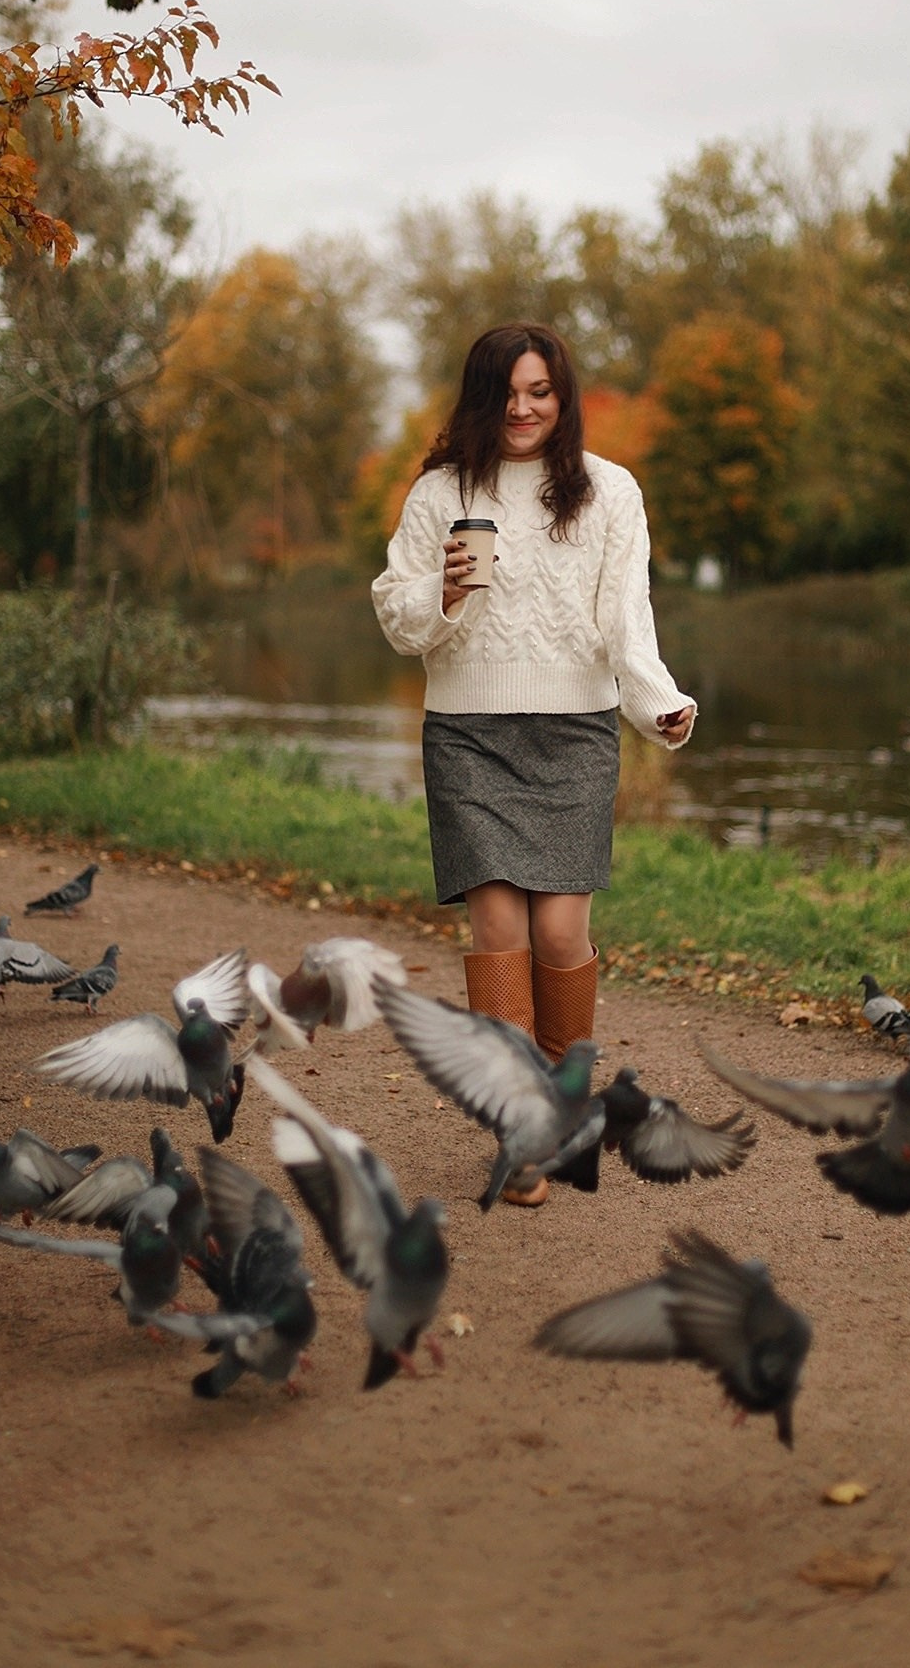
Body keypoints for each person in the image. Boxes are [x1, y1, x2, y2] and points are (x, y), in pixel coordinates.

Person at [371, 322, 696, 1204]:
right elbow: (397, 614)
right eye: (507, 392)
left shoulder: (608, 492)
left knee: (560, 933)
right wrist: (440, 595)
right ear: (483, 398)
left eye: (540, 391)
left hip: (573, 733)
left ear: (563, 397)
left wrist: (655, 700)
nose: (523, 408)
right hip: (469, 732)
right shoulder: (442, 493)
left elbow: (627, 616)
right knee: (500, 933)